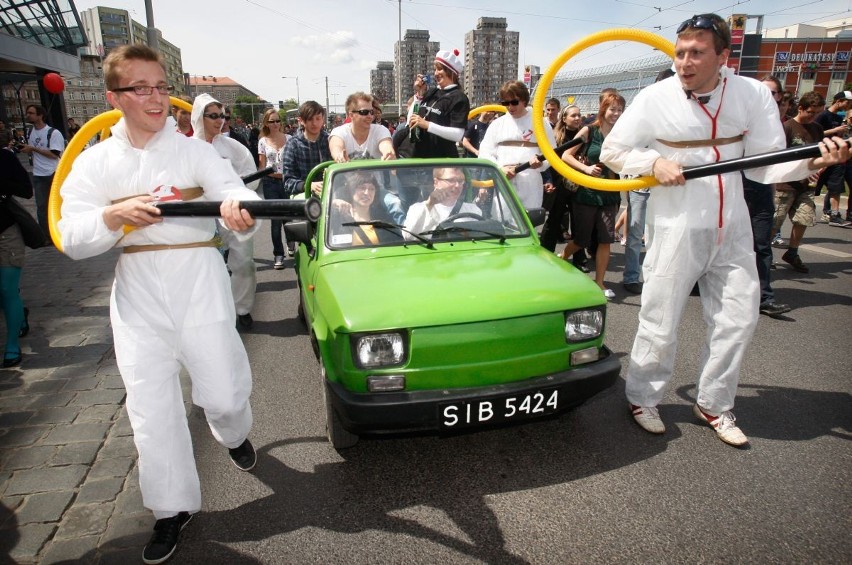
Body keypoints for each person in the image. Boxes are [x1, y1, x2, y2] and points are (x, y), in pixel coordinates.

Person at [600, 14, 849, 446]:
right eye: (680, 52)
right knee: (660, 317)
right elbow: (613, 151)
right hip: (677, 223)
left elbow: (767, 162)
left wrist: (817, 161)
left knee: (738, 317)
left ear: (723, 56)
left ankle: (714, 402)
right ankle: (643, 397)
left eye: (697, 53)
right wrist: (652, 163)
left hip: (731, 225)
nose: (684, 62)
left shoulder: (751, 94)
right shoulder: (655, 97)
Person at [57, 44, 262, 564]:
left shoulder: (195, 150)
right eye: (140, 88)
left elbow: (234, 195)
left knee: (221, 389)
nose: (154, 98)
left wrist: (240, 215)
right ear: (114, 97)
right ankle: (171, 508)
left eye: (159, 86)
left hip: (198, 279)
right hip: (138, 291)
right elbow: (70, 234)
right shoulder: (95, 161)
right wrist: (113, 216)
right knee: (150, 409)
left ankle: (231, 428)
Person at [191, 94, 259, 330]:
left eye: (222, 116)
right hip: (200, 218)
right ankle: (212, 312)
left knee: (243, 261)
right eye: (213, 116)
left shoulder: (233, 148)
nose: (219, 121)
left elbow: (249, 173)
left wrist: (237, 189)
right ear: (199, 117)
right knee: (207, 265)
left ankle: (242, 309)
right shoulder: (186, 149)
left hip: (231, 214)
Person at [559, 91, 625, 299]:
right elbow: (566, 155)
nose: (616, 113)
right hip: (587, 193)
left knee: (606, 239)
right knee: (582, 240)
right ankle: (562, 257)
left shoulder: (621, 134)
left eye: (620, 110)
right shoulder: (589, 130)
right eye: (612, 109)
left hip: (610, 193)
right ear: (603, 108)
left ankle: (599, 281)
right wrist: (586, 170)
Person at [742, 75, 791, 317]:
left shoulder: (780, 125)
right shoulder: (741, 119)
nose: (767, 97)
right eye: (763, 92)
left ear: (779, 97)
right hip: (735, 190)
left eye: (772, 93)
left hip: (761, 193)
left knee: (761, 246)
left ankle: (764, 298)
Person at [772, 92, 828, 275]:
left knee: (804, 218)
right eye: (811, 112)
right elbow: (778, 158)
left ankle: (792, 252)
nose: (814, 117)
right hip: (785, 184)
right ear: (801, 108)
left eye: (818, 113)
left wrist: (819, 169)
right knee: (774, 222)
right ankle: (764, 254)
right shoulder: (787, 127)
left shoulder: (817, 129)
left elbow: (821, 155)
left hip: (806, 185)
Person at [478, 80, 556, 210]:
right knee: (504, 222)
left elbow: (551, 152)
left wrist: (541, 163)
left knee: (529, 221)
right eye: (505, 103)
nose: (510, 106)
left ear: (524, 100)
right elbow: (485, 152)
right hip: (504, 180)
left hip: (530, 181)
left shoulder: (540, 123)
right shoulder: (497, 124)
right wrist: (499, 168)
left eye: (514, 102)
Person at [0, 138, 33, 367]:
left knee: (6, 289)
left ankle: (12, 344)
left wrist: (2, 184)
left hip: (4, 231)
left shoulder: (4, 158)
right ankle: (19, 311)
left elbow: (26, 191)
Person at [408, 49, 471, 159]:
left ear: (451, 72)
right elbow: (411, 121)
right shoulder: (432, 92)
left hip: (442, 162)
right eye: (435, 70)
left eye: (440, 69)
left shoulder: (459, 98)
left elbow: (458, 135)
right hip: (419, 158)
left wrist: (427, 125)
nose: (436, 73)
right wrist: (419, 94)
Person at [21, 104, 64, 239]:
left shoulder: (53, 133)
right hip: (38, 174)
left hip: (53, 172)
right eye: (27, 113)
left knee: (58, 204)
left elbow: (54, 154)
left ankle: (61, 231)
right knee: (41, 207)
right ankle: (47, 236)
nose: (28, 115)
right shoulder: (29, 132)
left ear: (40, 115)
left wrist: (33, 149)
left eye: (31, 113)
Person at [403, 167, 482, 236]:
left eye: (460, 180)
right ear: (436, 183)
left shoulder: (473, 210)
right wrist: (429, 204)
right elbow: (408, 237)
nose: (457, 185)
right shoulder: (417, 209)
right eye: (451, 180)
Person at [258, 108, 291, 269]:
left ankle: (291, 242)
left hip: (286, 181)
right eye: (272, 121)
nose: (276, 124)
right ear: (266, 123)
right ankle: (278, 254)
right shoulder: (263, 141)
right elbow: (262, 165)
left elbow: (292, 162)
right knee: (275, 220)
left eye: (278, 121)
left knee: (288, 217)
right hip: (270, 182)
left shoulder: (289, 139)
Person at [330, 171, 402, 246]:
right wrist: (333, 203)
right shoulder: (339, 215)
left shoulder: (383, 218)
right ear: (351, 190)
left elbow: (397, 244)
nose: (367, 193)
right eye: (362, 188)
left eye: (371, 189)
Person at [814, 91, 852, 226]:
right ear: (838, 101)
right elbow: (815, 133)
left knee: (836, 185)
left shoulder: (837, 117)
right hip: (822, 155)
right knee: (814, 186)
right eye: (847, 102)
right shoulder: (823, 115)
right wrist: (833, 131)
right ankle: (811, 210)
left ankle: (834, 215)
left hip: (835, 156)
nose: (848, 105)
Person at [283, 100, 333, 198]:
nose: (314, 123)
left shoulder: (331, 141)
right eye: (310, 119)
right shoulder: (293, 144)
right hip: (303, 197)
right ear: (301, 120)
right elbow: (287, 183)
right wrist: (308, 186)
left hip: (329, 195)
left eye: (318, 118)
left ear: (323, 119)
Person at [329, 92, 395, 162]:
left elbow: (386, 145)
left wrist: (388, 152)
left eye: (372, 112)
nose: (370, 116)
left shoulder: (381, 130)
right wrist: (338, 155)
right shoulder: (339, 132)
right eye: (364, 112)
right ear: (351, 115)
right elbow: (336, 146)